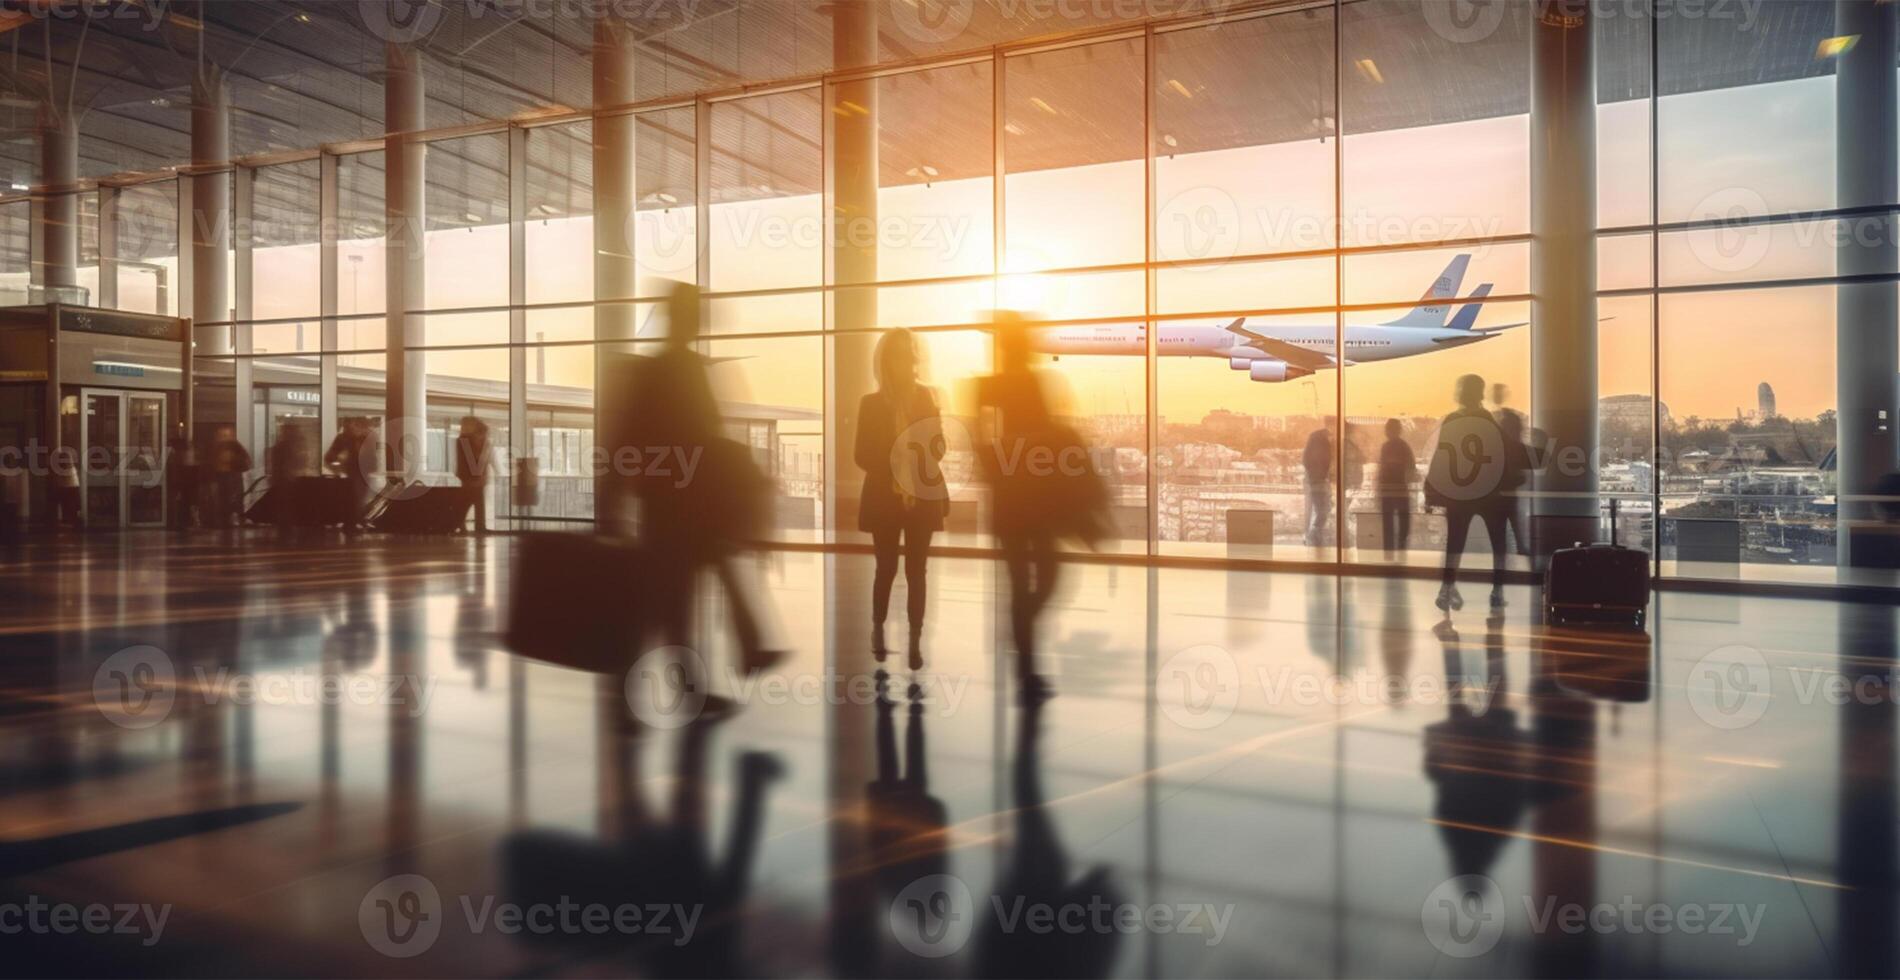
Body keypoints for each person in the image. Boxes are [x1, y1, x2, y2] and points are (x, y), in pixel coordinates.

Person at [617, 281, 783, 691]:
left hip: (675, 502)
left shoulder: (665, 369)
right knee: (670, 600)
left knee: (672, 599)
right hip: (677, 503)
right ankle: (723, 661)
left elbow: (630, 437)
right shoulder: (676, 370)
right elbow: (700, 434)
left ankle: (695, 678)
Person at [977, 311, 1098, 700]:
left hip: (1020, 499)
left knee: (1036, 581)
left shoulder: (1008, 385)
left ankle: (1022, 637)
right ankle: (1026, 668)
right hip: (1023, 499)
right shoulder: (1009, 386)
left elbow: (982, 445)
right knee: (1039, 578)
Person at [855, 329, 948, 670]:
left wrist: (920, 453)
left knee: (916, 571)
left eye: (907, 355)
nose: (904, 362)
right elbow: (861, 454)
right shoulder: (871, 403)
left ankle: (914, 638)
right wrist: (895, 464)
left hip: (920, 497)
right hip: (886, 496)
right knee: (887, 568)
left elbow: (939, 446)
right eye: (897, 356)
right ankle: (878, 628)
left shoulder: (927, 397)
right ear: (886, 362)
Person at [1426, 374, 1509, 613]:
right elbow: (1499, 456)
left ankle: (1447, 587)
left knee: (1455, 543)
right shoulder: (1487, 420)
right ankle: (1497, 590)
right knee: (1498, 542)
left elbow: (1441, 458)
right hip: (1488, 493)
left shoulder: (1452, 420)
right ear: (1480, 393)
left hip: (1459, 494)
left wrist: (1431, 490)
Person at [1491, 382, 1531, 556]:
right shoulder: (1510, 418)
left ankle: (1504, 550)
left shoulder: (1494, 419)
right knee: (1512, 514)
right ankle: (1519, 547)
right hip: (1507, 480)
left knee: (1503, 517)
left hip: (1498, 481)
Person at [1375, 418, 1417, 559]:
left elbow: (1381, 470)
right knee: (1403, 522)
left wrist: (1378, 489)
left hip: (1387, 490)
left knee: (1388, 524)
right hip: (1400, 489)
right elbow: (1412, 468)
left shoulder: (1385, 447)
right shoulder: (1404, 446)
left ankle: (1389, 555)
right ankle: (1401, 551)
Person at [323, 417, 376, 528]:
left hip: (356, 474)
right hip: (354, 474)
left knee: (357, 499)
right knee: (356, 499)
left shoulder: (359, 438)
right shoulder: (347, 439)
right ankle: (354, 521)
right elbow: (330, 457)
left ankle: (354, 521)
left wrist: (338, 468)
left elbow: (329, 457)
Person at [453, 416, 495, 534]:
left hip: (472, 475)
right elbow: (474, 459)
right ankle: (470, 525)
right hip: (471, 476)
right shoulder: (465, 441)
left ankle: (471, 525)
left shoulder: (464, 440)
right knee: (470, 500)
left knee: (474, 501)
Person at [207, 425, 252, 528]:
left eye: (227, 435)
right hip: (220, 476)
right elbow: (209, 464)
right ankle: (223, 520)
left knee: (234, 499)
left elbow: (246, 461)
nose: (225, 438)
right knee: (221, 500)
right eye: (223, 435)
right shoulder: (214, 449)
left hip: (232, 475)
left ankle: (233, 518)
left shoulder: (236, 448)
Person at [1303, 420, 1334, 547]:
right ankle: (1314, 535)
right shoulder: (1323, 442)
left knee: (1319, 508)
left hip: (1314, 479)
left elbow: (1307, 460)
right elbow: (1325, 461)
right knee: (1323, 509)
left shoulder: (1314, 441)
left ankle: (1313, 535)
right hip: (1319, 480)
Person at [165, 425, 197, 529]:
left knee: (179, 502)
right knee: (184, 502)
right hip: (183, 482)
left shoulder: (174, 460)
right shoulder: (182, 460)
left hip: (179, 482)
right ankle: (182, 521)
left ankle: (177, 521)